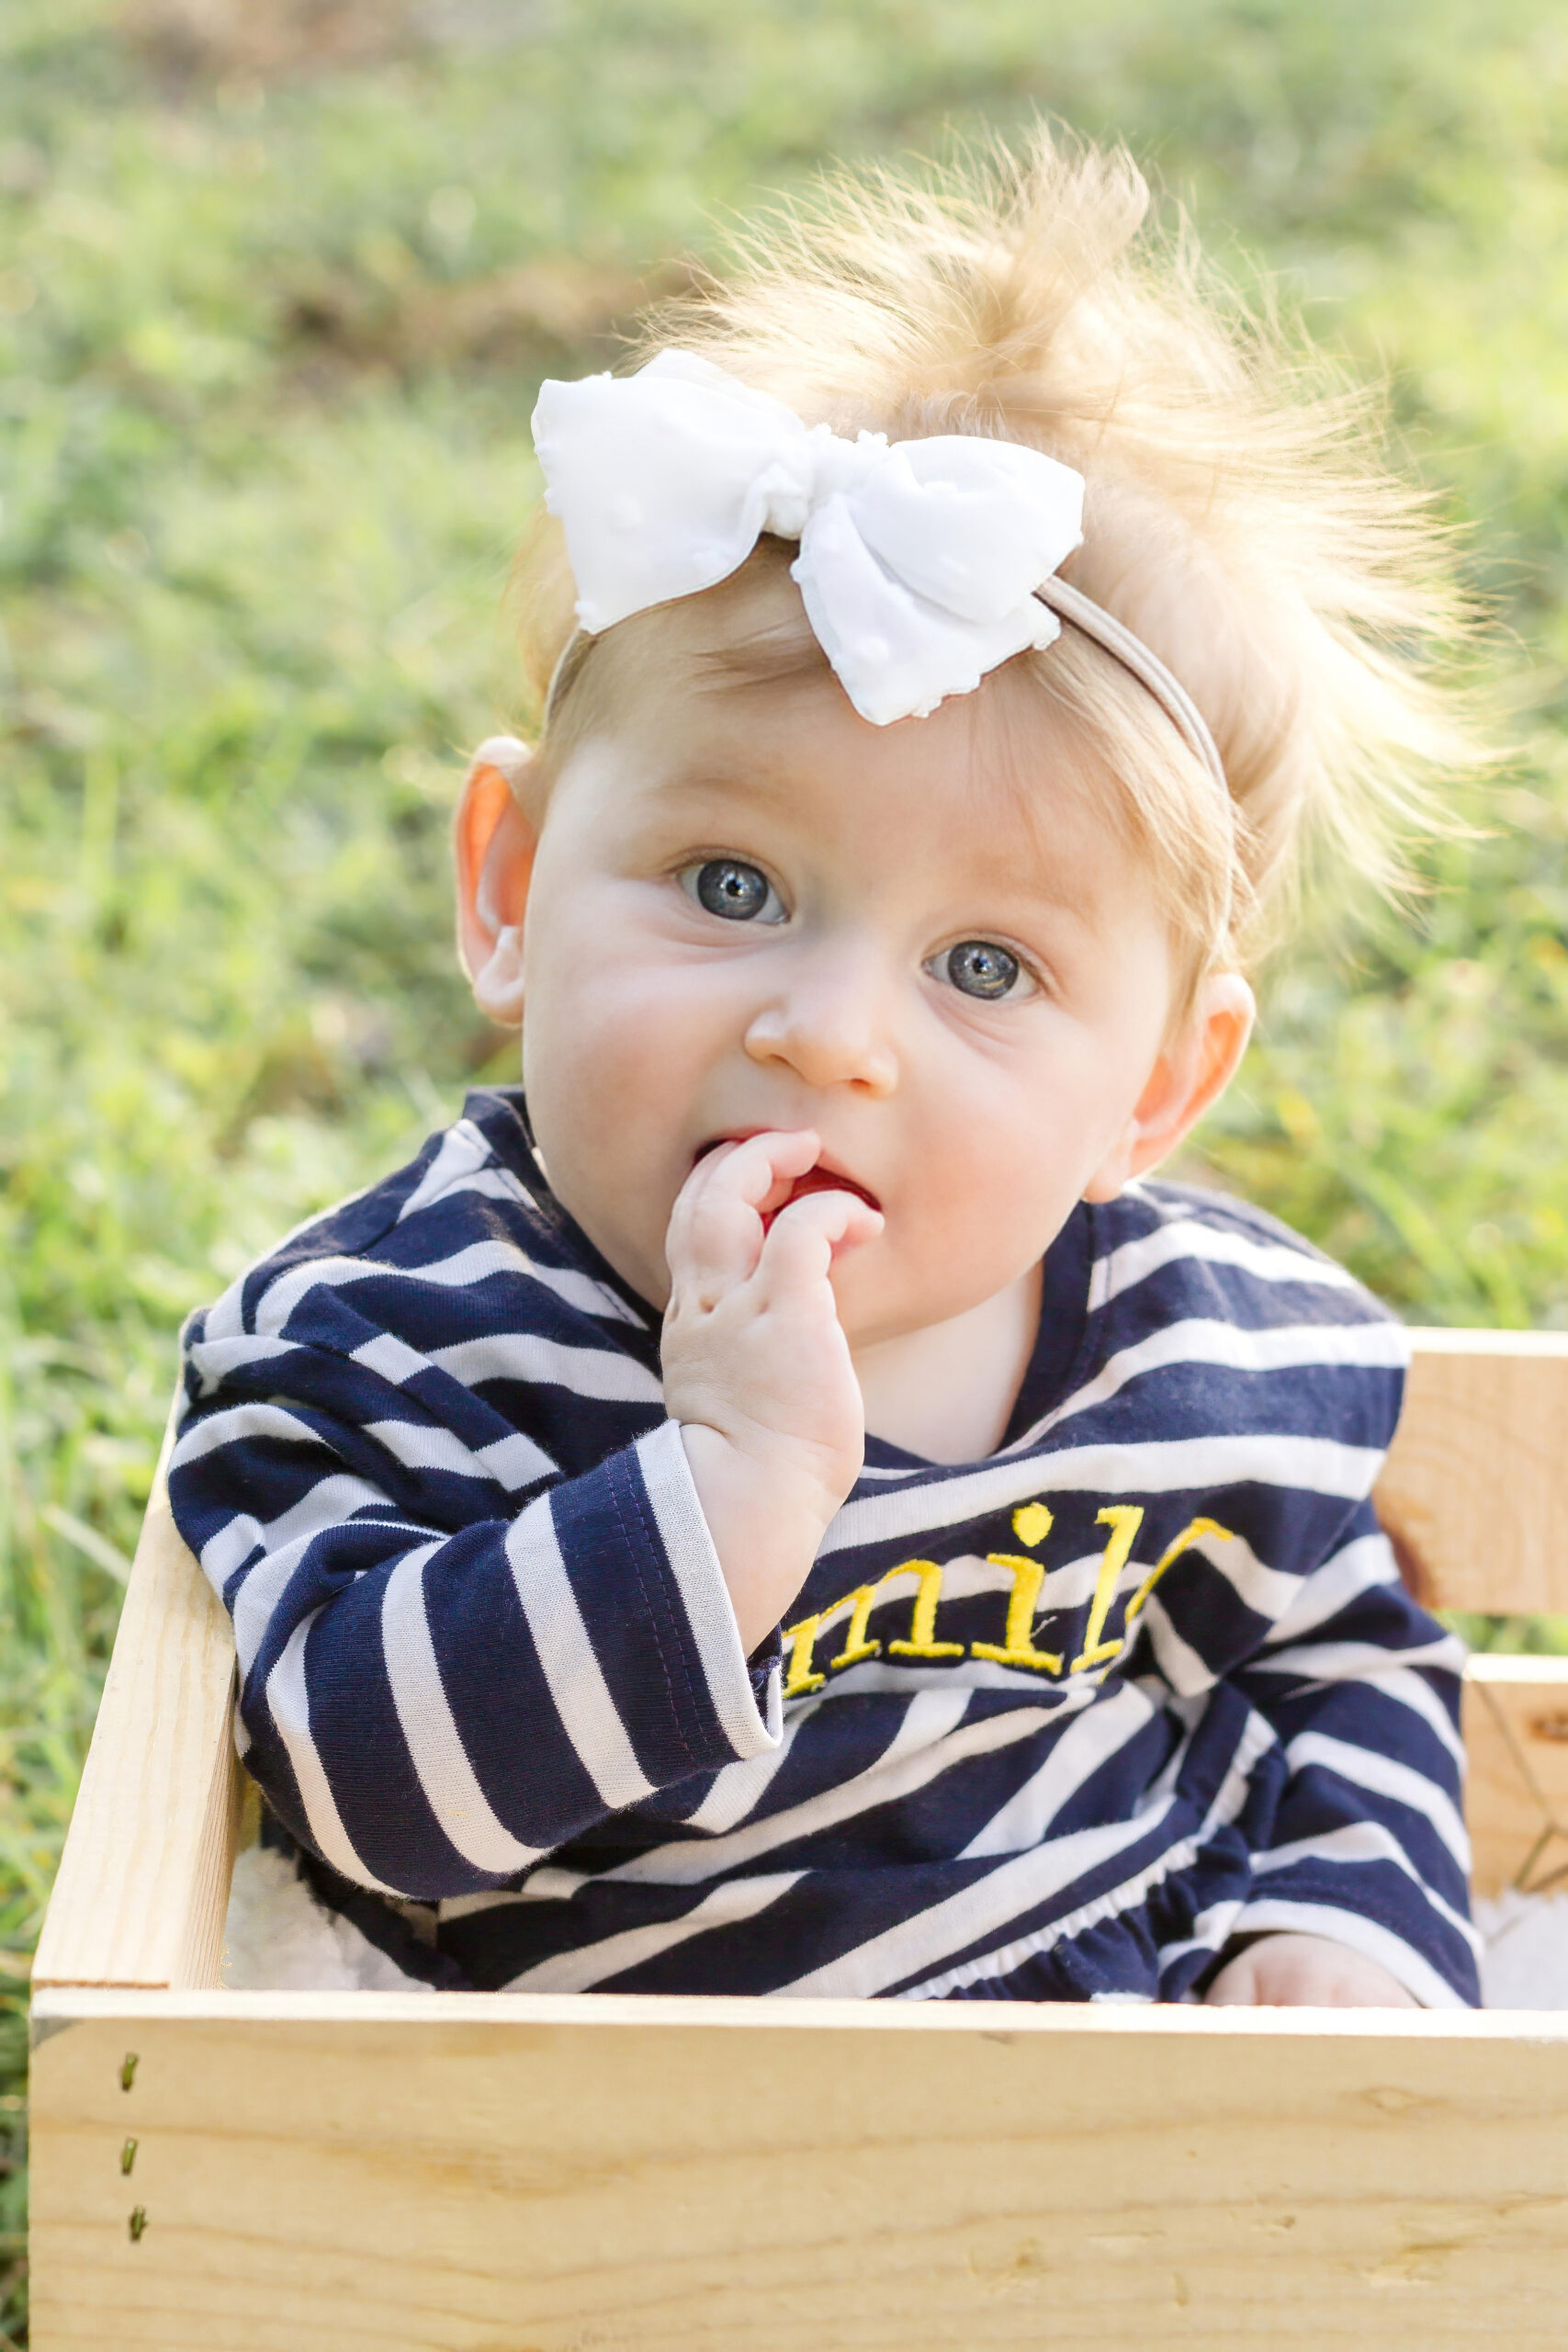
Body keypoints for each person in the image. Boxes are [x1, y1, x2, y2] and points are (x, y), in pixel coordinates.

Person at [168, 130, 1482, 2007]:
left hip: (1142, 2131)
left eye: (982, 964)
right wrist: (722, 1484)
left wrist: (1337, 1925)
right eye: (731, 884)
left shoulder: (1199, 1358)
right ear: (512, 884)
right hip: (591, 2183)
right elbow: (368, 1795)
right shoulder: (389, 1340)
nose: (831, 1033)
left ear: (1153, 1092)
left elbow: (1338, 1654)